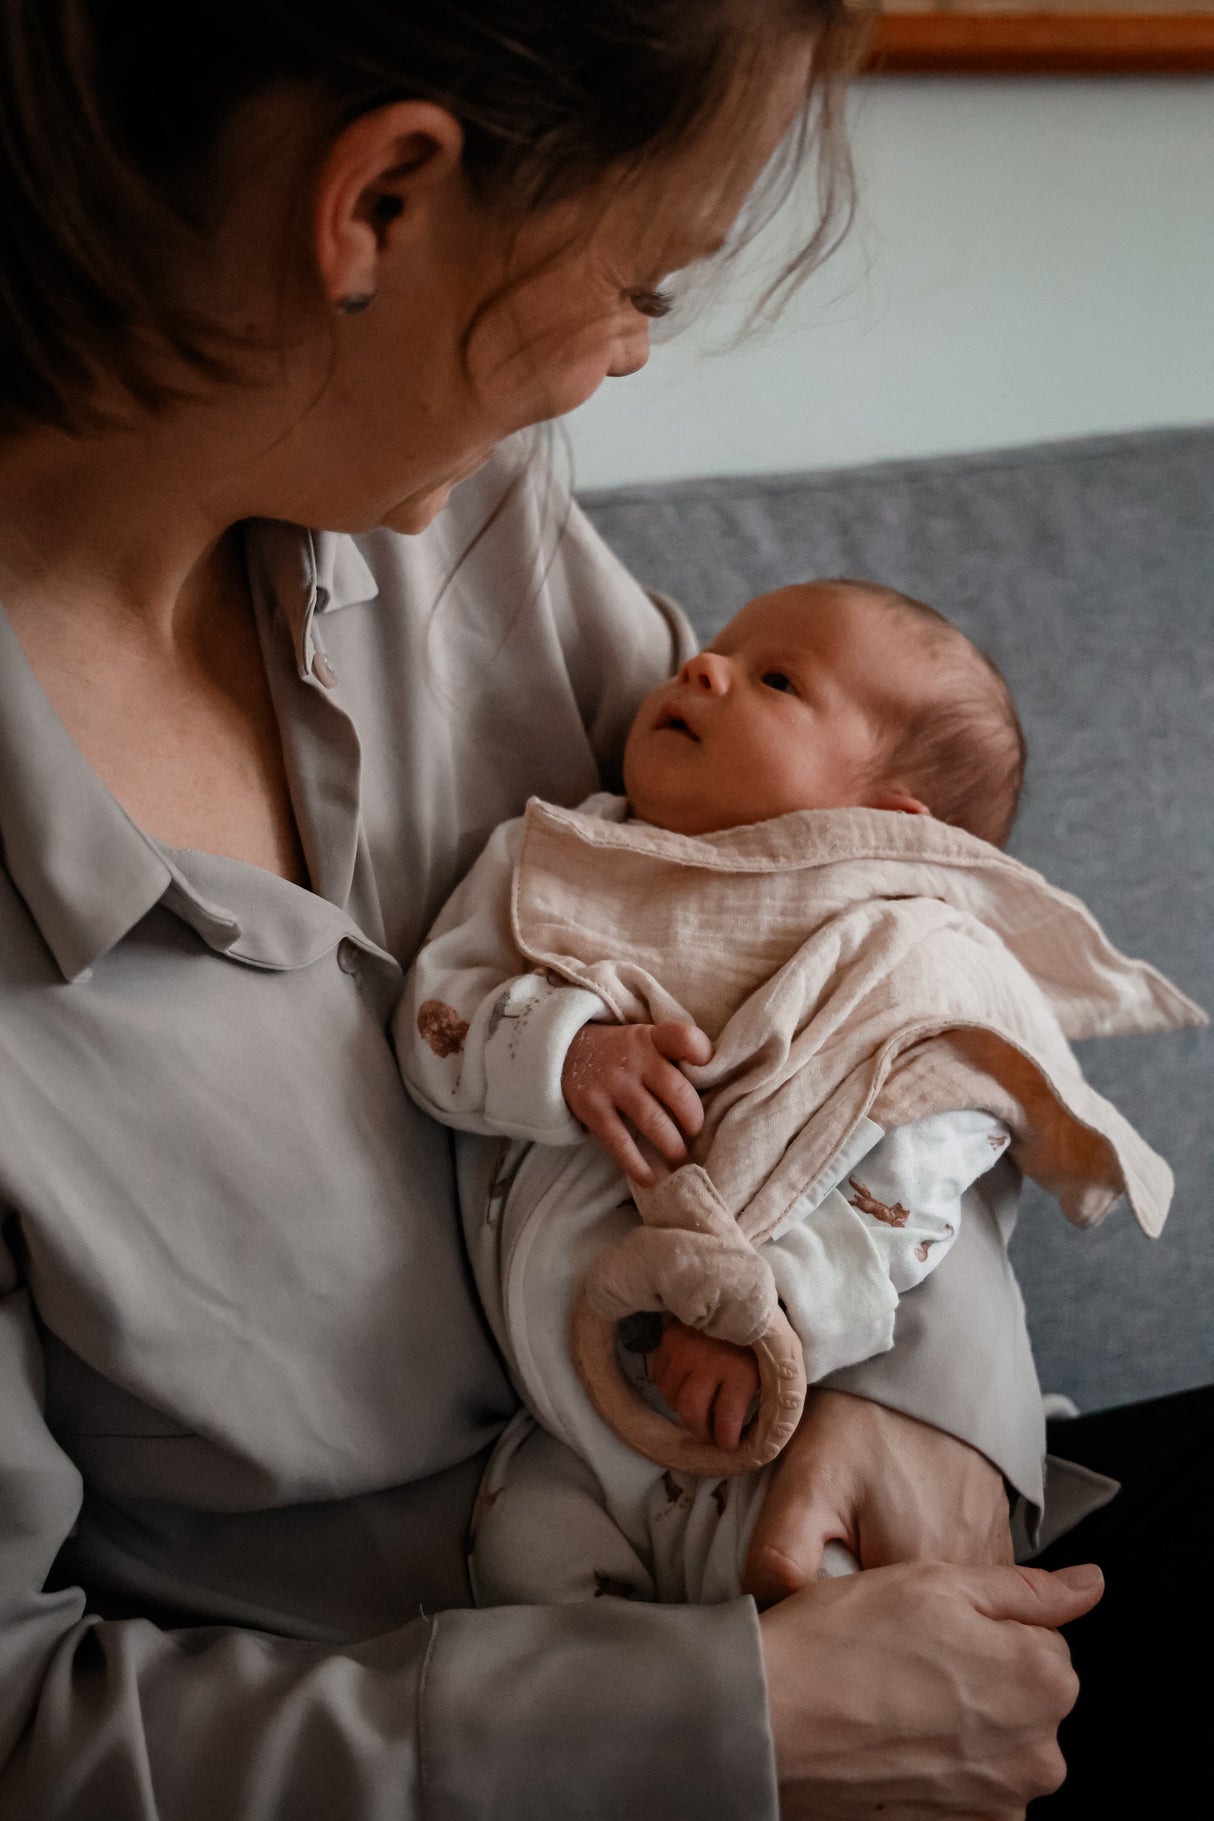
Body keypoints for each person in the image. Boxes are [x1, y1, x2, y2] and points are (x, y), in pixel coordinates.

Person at [0, 4, 1114, 1816]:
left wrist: (923, 1395)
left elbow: (847, 928)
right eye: (644, 286)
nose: (617, 362)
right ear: (379, 205)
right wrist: (722, 1733)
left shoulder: (459, 518)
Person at [399, 577, 1198, 1608]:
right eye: (717, 648)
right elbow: (437, 1020)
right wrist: (567, 1051)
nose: (700, 665)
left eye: (774, 678)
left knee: (837, 1592)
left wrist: (774, 1310)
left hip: (793, 1407)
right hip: (564, 1419)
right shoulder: (559, 859)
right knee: (522, 1565)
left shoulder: (904, 946)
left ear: (886, 823)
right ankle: (675, 1723)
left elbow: (921, 1167)